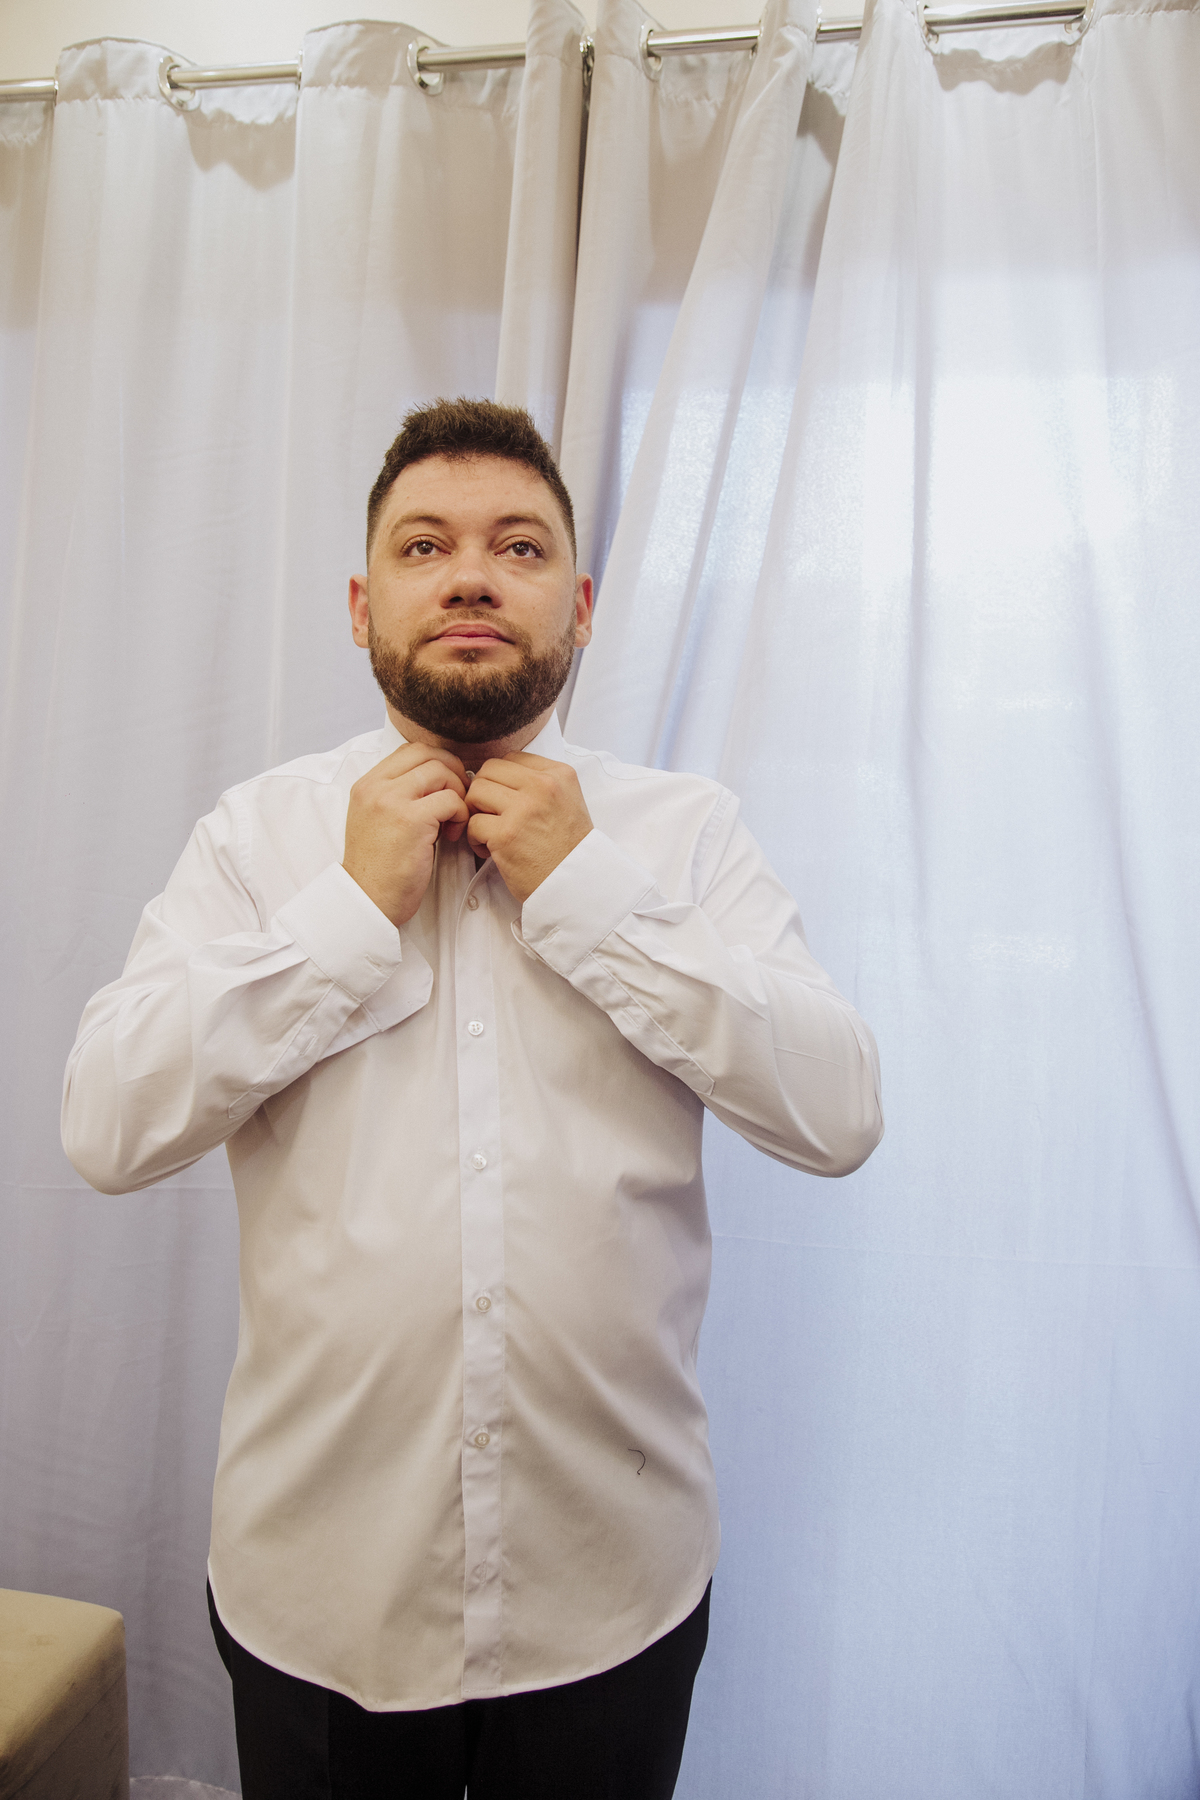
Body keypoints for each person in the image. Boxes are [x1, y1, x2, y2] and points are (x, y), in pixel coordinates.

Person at [62, 398, 883, 1799]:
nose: (470, 577)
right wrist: (345, 910)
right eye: (423, 545)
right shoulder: (256, 838)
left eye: (518, 545)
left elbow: (837, 1111)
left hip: (612, 1593)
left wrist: (595, 896)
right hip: (321, 1598)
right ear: (360, 604)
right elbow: (105, 1125)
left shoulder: (687, 835)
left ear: (580, 604)